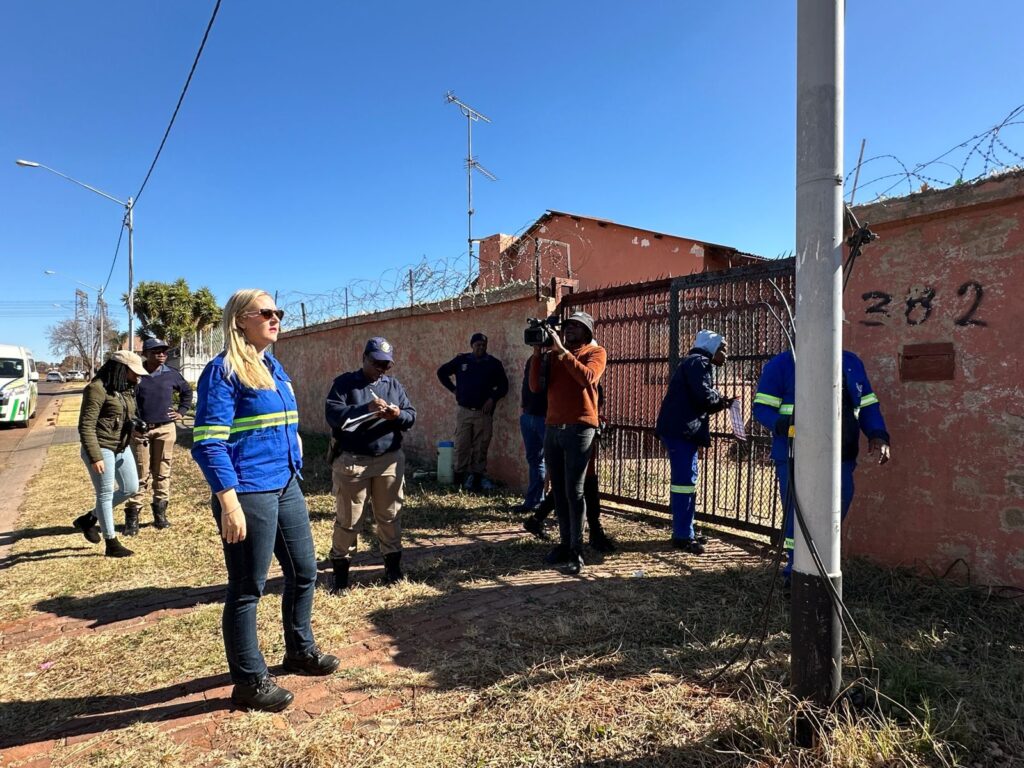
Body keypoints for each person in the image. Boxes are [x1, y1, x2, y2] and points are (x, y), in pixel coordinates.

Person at [192, 289, 338, 713]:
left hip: (286, 483)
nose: (276, 318)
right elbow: (208, 443)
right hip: (248, 490)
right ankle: (249, 681)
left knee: (304, 570)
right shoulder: (223, 372)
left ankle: (300, 650)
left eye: (279, 311)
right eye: (266, 312)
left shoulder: (273, 366)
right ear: (240, 320)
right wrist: (229, 502)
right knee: (247, 587)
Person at [753, 347, 891, 586]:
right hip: (795, 454)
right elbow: (762, 408)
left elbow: (867, 403)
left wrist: (878, 434)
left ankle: (824, 567)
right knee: (799, 515)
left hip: (841, 454)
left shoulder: (851, 362)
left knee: (837, 509)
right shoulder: (782, 364)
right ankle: (795, 574)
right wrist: (780, 423)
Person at [325, 337, 416, 593]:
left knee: (389, 516)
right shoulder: (345, 384)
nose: (381, 369)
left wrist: (397, 415)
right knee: (349, 520)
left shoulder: (393, 385)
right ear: (364, 358)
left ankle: (393, 569)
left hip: (389, 461)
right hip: (354, 461)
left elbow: (411, 416)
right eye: (377, 363)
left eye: (386, 365)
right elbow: (333, 415)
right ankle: (341, 577)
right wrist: (365, 408)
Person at [529, 311, 606, 575]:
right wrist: (538, 354)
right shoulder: (553, 355)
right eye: (568, 326)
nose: (570, 329)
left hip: (580, 427)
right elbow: (535, 387)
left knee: (575, 491)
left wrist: (562, 351)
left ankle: (577, 549)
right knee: (559, 490)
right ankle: (564, 543)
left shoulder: (595, 353)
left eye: (577, 326)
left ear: (587, 332)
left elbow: (587, 378)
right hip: (553, 427)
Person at [655, 330, 733, 555]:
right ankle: (682, 535)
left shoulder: (692, 362)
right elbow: (704, 397)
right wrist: (721, 401)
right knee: (684, 482)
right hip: (682, 431)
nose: (726, 355)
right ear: (712, 348)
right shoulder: (699, 363)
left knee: (685, 481)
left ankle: (685, 529)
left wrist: (718, 399)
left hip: (678, 429)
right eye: (723, 349)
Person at [72, 351, 150, 558]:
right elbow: (86, 426)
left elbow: (125, 416)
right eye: (134, 373)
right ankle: (111, 542)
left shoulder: (125, 390)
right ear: (120, 369)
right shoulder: (96, 389)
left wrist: (135, 426)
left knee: (131, 487)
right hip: (101, 447)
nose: (138, 377)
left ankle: (89, 518)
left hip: (121, 447)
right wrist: (95, 456)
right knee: (105, 494)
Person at [523, 383, 615, 553]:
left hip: (575, 427)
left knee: (569, 485)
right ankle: (589, 534)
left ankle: (537, 520)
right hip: (577, 430)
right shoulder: (579, 389)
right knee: (579, 484)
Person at [122, 337, 193, 535]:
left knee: (162, 471)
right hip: (141, 431)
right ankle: (132, 518)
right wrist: (131, 422)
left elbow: (187, 393)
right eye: (155, 351)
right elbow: (123, 400)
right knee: (140, 474)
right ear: (145, 354)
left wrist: (181, 411)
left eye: (164, 351)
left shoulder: (172, 374)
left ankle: (160, 515)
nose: (161, 354)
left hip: (165, 429)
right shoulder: (135, 374)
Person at [436, 332, 508, 491]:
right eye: (477, 345)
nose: (480, 348)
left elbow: (504, 386)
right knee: (462, 444)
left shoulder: (493, 363)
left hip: (484, 412)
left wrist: (493, 399)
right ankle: (460, 477)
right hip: (464, 411)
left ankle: (477, 477)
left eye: (483, 345)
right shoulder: (462, 360)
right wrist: (454, 390)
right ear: (472, 345)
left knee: (481, 445)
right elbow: (441, 373)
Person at [514, 355, 547, 514]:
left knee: (555, 463)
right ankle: (533, 501)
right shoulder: (532, 358)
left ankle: (553, 505)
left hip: (546, 417)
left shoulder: (557, 359)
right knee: (535, 460)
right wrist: (523, 405)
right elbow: (526, 382)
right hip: (529, 415)